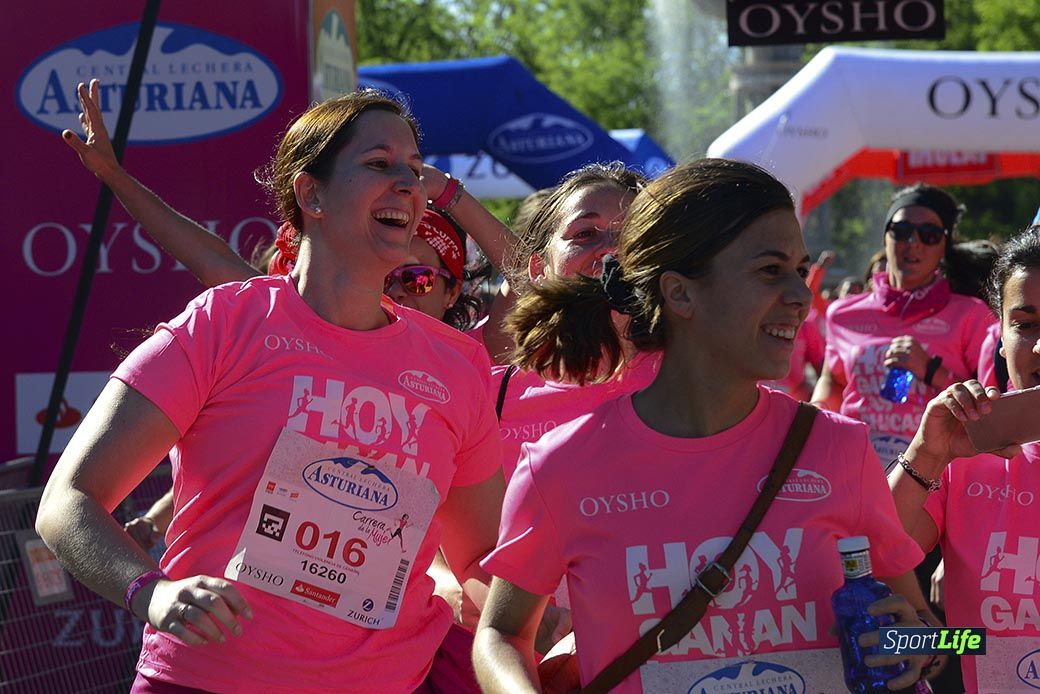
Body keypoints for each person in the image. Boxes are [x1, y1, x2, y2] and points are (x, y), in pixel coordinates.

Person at [38, 84, 506, 693]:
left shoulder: (455, 364)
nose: (408, 185)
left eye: (414, 170)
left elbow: (483, 563)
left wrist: (548, 619)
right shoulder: (224, 325)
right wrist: (151, 593)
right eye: (379, 164)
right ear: (311, 194)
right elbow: (67, 501)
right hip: (206, 680)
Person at [473, 159, 930, 693]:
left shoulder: (838, 447)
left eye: (799, 270)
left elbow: (949, 638)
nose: (802, 297)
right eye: (769, 270)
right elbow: (501, 633)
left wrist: (909, 644)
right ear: (680, 293)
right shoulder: (560, 465)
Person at [889, 224, 1040, 694]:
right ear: (999, 336)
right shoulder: (966, 452)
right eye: (1026, 323)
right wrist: (928, 452)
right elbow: (873, 549)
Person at [812, 183, 995, 461]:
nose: (913, 242)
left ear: (944, 246)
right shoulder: (843, 313)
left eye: (930, 235)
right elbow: (833, 381)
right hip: (854, 463)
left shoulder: (972, 315)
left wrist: (931, 370)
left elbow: (988, 406)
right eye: (902, 230)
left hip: (933, 473)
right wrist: (814, 411)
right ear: (885, 237)